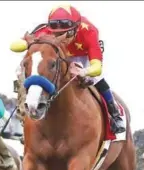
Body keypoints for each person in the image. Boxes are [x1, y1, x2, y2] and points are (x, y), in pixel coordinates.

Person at [10, 4, 125, 134]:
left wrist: (83, 72)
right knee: (26, 71)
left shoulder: (90, 31)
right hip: (58, 56)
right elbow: (13, 46)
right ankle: (24, 109)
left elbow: (97, 68)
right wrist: (26, 42)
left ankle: (115, 114)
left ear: (76, 28)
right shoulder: (45, 31)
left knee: (97, 78)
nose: (61, 38)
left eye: (65, 33)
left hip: (81, 56)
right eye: (56, 34)